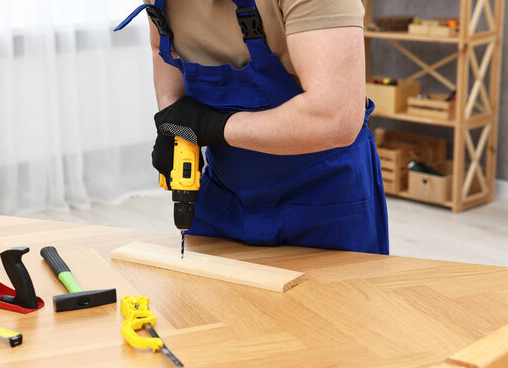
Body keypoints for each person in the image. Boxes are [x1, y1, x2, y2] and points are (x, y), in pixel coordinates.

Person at [115, 0, 389, 255]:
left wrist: (215, 127)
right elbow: (161, 48)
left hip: (326, 201)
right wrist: (174, 118)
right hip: (224, 195)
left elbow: (335, 118)